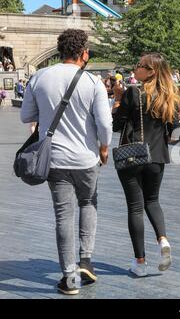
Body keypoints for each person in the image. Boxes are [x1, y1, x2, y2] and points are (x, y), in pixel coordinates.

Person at [20, 29, 112, 295]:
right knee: (88, 203)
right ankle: (86, 260)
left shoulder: (39, 76)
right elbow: (105, 123)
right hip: (86, 159)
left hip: (55, 159)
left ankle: (69, 276)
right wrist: (104, 148)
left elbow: (27, 116)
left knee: (63, 215)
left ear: (60, 51)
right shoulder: (93, 82)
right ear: (83, 53)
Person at [112, 52, 179, 277]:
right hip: (157, 157)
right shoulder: (170, 95)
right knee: (153, 200)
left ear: (151, 71)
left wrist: (118, 98)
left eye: (140, 66)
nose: (136, 68)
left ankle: (140, 263)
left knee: (135, 207)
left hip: (133, 155)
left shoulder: (133, 92)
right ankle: (162, 240)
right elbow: (174, 132)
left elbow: (116, 125)